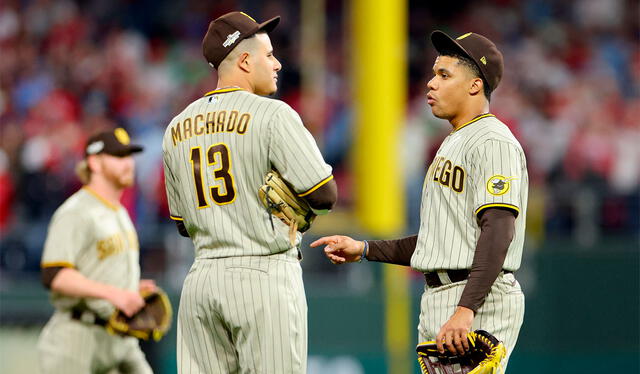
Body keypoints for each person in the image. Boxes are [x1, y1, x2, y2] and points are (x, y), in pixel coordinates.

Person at [312, 30, 528, 369]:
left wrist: (466, 309)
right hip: (445, 295)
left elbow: (499, 230)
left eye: (444, 75)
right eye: (433, 74)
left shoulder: (492, 141)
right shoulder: (454, 142)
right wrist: (365, 249)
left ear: (475, 85)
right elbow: (437, 243)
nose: (431, 83)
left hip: (474, 298)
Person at [162, 11, 337, 374]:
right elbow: (325, 194)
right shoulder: (273, 114)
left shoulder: (176, 128)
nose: (277, 63)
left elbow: (181, 223)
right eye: (268, 55)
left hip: (201, 281)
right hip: (263, 274)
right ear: (244, 60)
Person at [37, 128, 156, 374]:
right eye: (119, 156)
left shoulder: (120, 212)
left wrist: (130, 289)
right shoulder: (75, 211)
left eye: (129, 156)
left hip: (119, 336)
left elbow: (98, 271)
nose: (128, 163)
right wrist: (116, 294)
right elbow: (55, 275)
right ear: (95, 162)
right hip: (77, 336)